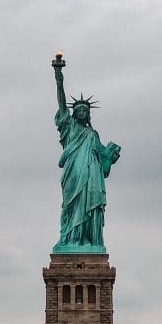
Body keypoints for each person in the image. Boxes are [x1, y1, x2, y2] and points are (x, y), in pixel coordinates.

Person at [52, 56, 121, 250]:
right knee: (71, 205)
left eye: (85, 109)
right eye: (79, 109)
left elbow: (104, 161)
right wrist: (59, 78)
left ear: (88, 114)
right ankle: (69, 238)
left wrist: (111, 156)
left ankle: (88, 240)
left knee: (88, 204)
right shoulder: (70, 127)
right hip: (73, 173)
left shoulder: (93, 134)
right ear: (74, 113)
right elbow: (61, 103)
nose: (82, 111)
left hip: (92, 176)